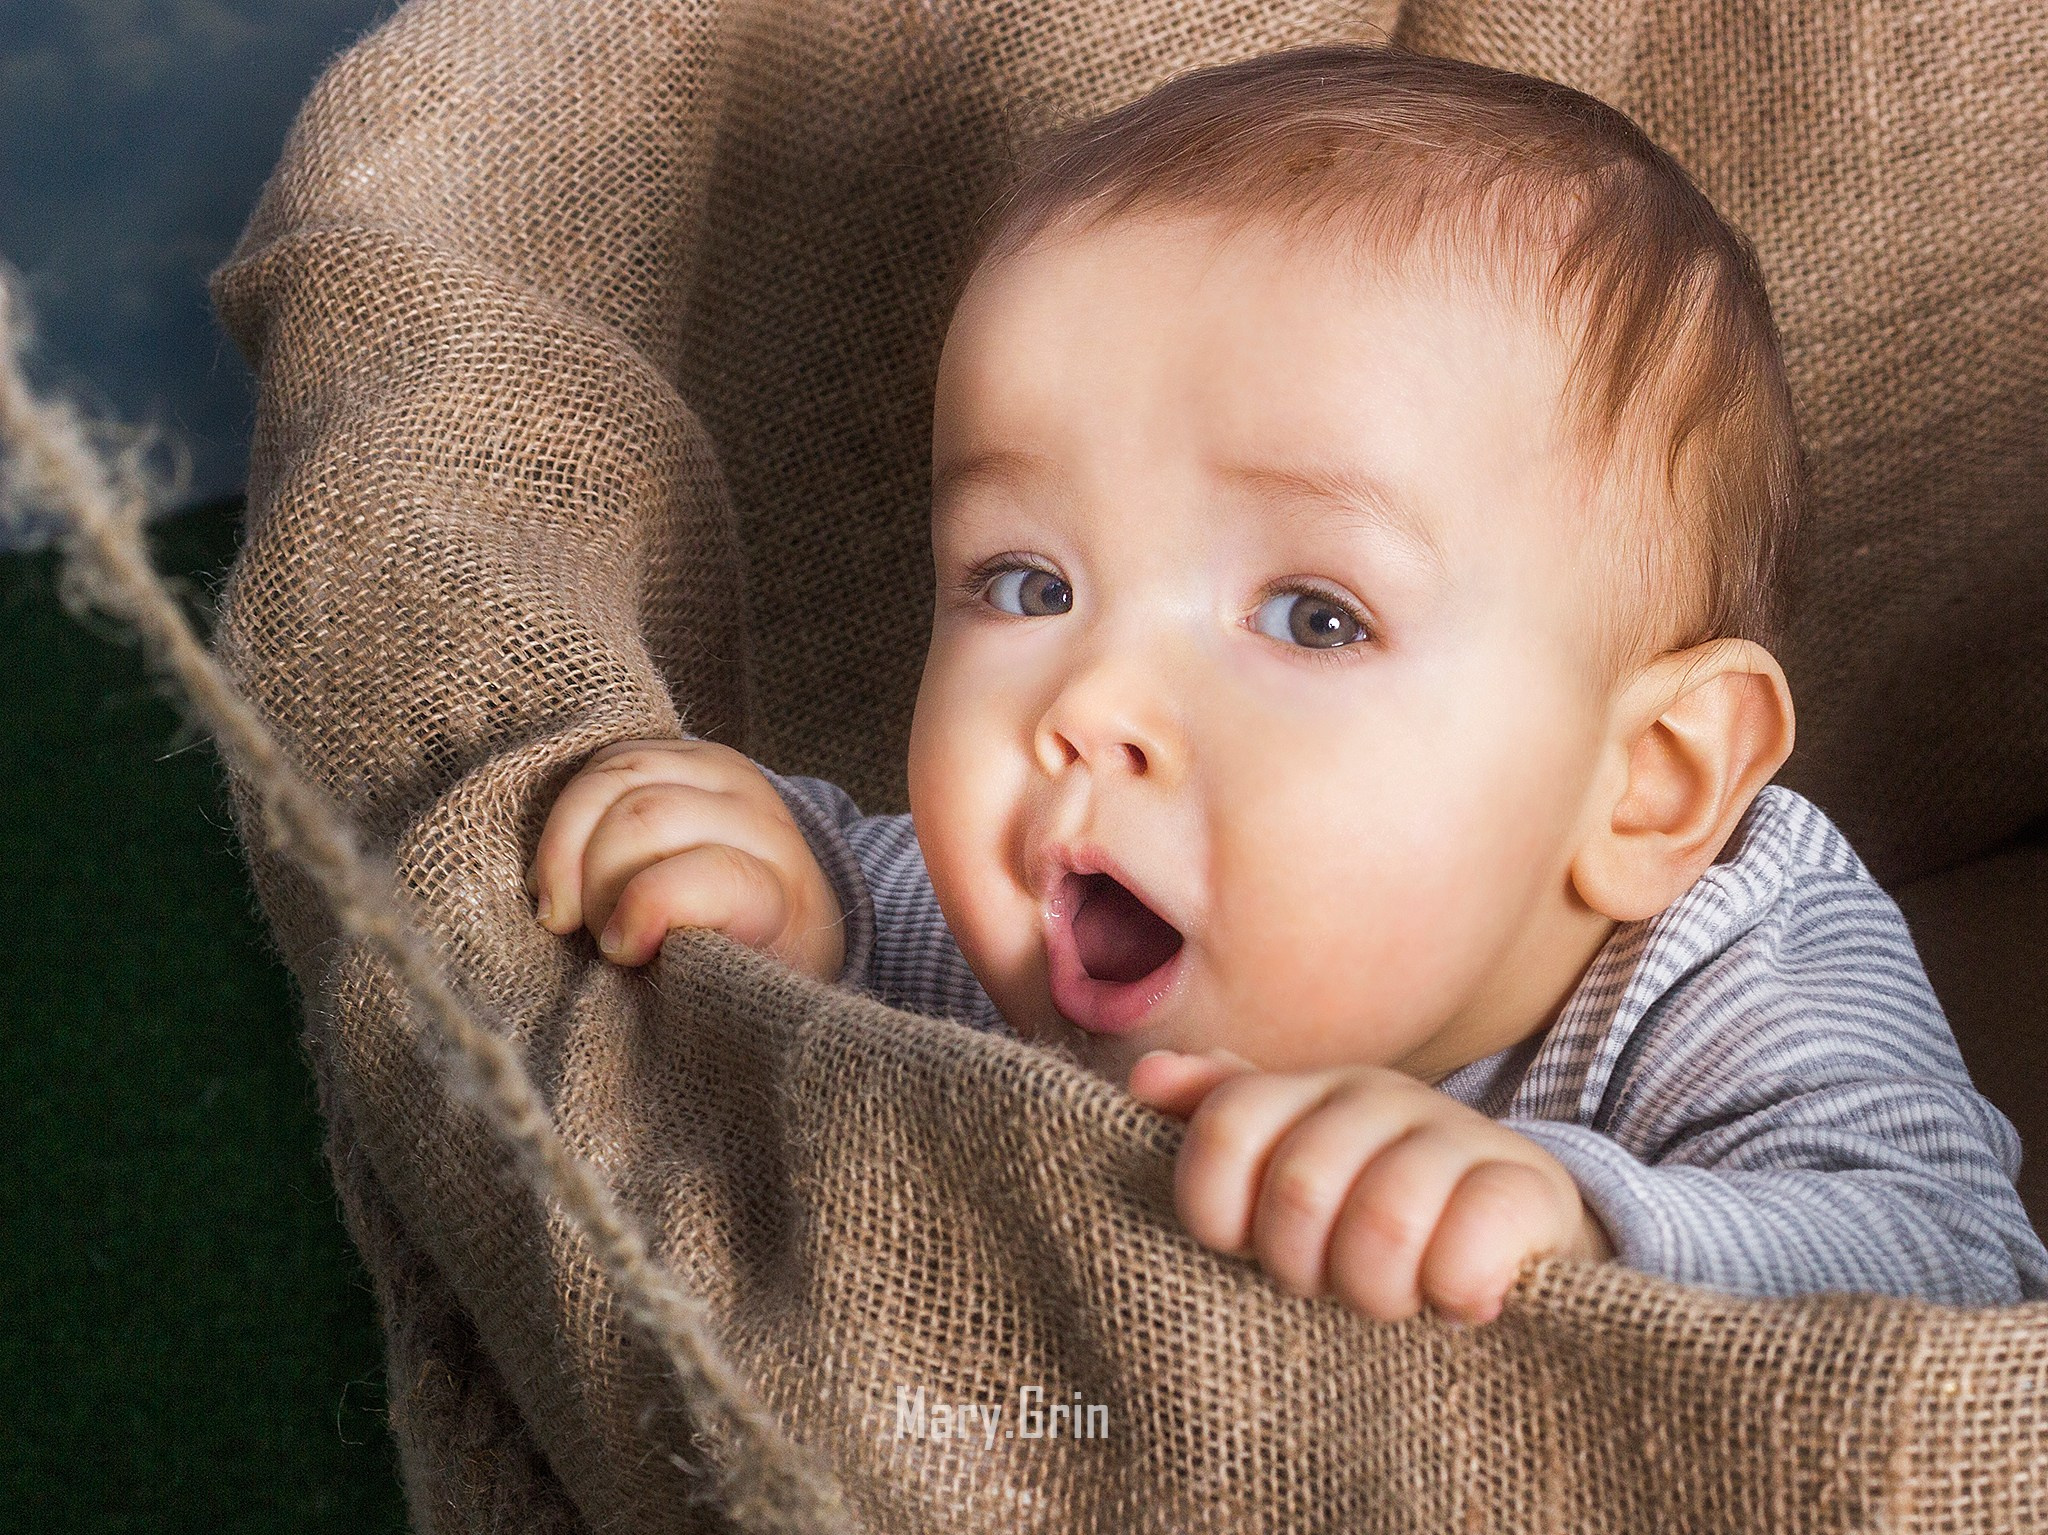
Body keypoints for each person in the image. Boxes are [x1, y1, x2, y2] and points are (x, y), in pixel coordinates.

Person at [520, 44, 2048, 1324]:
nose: (1091, 700)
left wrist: (1583, 1221)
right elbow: (873, 899)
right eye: (1026, 584)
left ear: (1646, 782)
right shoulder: (1043, 897)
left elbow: (1958, 1267)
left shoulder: (1730, 961)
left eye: (1314, 617)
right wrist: (791, 902)